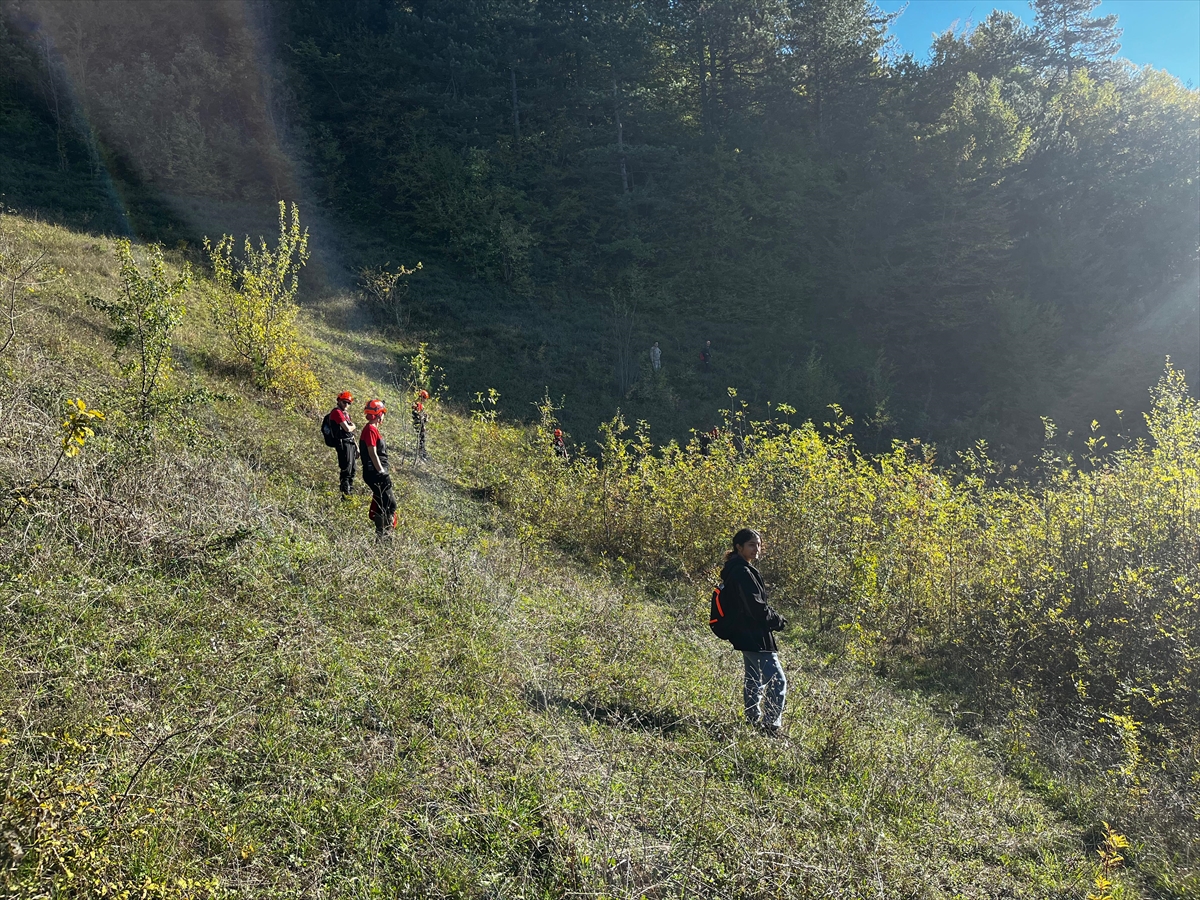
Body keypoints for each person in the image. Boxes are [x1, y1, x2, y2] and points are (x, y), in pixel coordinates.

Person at [719, 528, 788, 734]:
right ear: (739, 547)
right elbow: (756, 608)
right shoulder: (742, 572)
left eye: (758, 544)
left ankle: (752, 718)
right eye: (751, 545)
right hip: (754, 635)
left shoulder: (736, 568)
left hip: (745, 634)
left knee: (753, 678)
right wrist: (777, 621)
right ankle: (770, 726)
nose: (756, 549)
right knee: (777, 681)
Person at [360, 399, 397, 538]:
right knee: (390, 504)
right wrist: (381, 471)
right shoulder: (370, 429)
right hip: (375, 473)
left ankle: (382, 537)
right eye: (383, 413)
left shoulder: (373, 429)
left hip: (376, 472)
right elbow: (372, 452)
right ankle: (385, 536)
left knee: (382, 503)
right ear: (379, 414)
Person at [328, 391, 358, 497]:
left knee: (353, 469)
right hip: (343, 444)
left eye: (349, 403)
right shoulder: (337, 412)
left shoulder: (345, 414)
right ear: (339, 401)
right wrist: (354, 426)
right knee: (346, 469)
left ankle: (349, 492)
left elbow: (350, 433)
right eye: (345, 402)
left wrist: (356, 447)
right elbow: (347, 428)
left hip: (350, 443)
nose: (347, 405)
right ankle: (345, 494)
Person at [411, 390, 430, 460]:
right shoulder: (416, 404)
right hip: (418, 424)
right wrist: (422, 422)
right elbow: (416, 415)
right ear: (422, 397)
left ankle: (423, 452)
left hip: (420, 423)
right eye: (425, 398)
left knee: (422, 438)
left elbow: (423, 414)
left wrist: (426, 417)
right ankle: (421, 453)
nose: (425, 400)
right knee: (421, 438)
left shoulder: (420, 405)